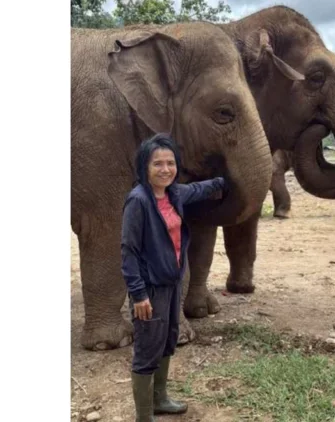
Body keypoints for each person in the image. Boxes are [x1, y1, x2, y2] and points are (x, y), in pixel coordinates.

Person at [121, 133, 226, 421]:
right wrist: (138, 294)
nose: (165, 169)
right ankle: (144, 416)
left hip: (172, 283)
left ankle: (160, 399)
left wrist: (223, 182)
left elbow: (199, 189)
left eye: (170, 163)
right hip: (150, 288)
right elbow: (128, 251)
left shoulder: (174, 194)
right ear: (145, 166)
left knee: (167, 340)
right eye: (157, 164)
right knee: (147, 349)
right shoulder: (138, 201)